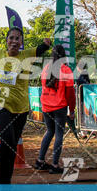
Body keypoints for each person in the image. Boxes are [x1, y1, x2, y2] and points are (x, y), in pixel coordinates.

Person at [0, 9, 51, 184]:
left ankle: (5, 182)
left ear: (21, 42)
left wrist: (47, 43)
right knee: (7, 141)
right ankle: (3, 187)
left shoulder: (27, 55)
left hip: (20, 109)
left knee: (11, 147)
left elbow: (42, 47)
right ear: (6, 41)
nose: (14, 41)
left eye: (17, 38)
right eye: (11, 38)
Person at [35, 45, 76, 174]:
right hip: (60, 107)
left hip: (46, 106)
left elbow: (44, 87)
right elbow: (70, 94)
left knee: (49, 131)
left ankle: (40, 161)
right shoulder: (66, 70)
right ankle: (54, 165)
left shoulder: (46, 68)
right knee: (59, 134)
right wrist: (72, 110)